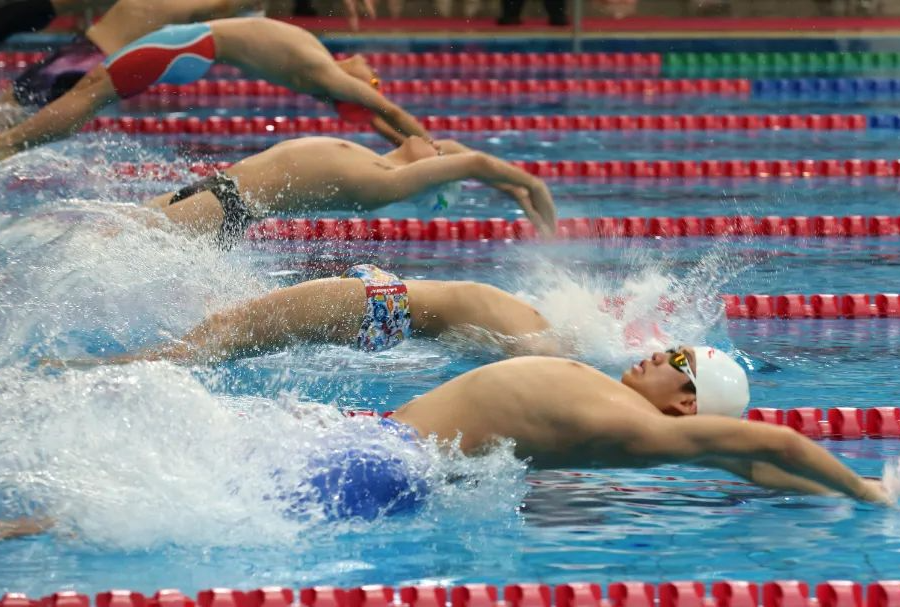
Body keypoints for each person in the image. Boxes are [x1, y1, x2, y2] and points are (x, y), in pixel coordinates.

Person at [388, 351, 891, 503]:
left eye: (678, 360)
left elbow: (777, 443)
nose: (659, 354)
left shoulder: (639, 427)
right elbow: (752, 467)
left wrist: (869, 494)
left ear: (687, 403)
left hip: (385, 462)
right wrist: (846, 488)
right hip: (387, 449)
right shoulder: (629, 412)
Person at [0, 17, 431, 159]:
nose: (372, 71)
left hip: (186, 46)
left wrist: (433, 154)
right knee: (91, 94)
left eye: (373, 80)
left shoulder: (326, 73)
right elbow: (381, 119)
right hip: (191, 51)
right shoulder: (320, 67)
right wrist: (421, 152)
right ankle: (14, 143)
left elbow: (387, 112)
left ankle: (10, 144)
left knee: (90, 92)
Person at [49, 263, 561, 365]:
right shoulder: (529, 329)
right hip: (374, 305)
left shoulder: (512, 311)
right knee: (210, 344)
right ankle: (82, 370)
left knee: (210, 343)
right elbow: (541, 360)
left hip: (375, 302)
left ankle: (81, 369)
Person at [141, 135, 557, 244]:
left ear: (431, 174)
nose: (436, 143)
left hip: (224, 207)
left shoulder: (384, 183)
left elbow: (474, 163)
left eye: (437, 155)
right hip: (215, 190)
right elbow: (453, 151)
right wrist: (516, 195)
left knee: (122, 240)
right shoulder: (377, 161)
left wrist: (532, 185)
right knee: (123, 227)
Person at [2, 0, 264, 109]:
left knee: (12, 106)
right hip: (92, 63)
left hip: (80, 51)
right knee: (15, 115)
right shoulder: (214, 5)